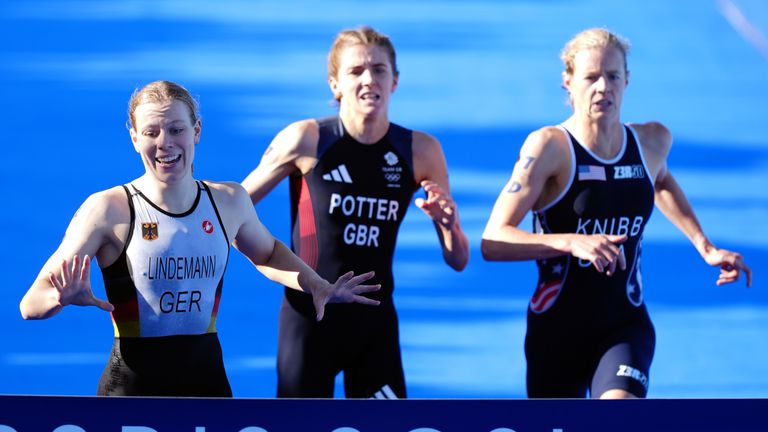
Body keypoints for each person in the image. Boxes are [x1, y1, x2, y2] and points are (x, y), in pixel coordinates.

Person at [19, 80, 380, 397]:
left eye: (176, 129)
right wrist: (61, 298)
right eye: (151, 132)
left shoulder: (228, 201)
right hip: (131, 390)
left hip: (207, 384)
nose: (165, 144)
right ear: (134, 138)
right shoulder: (109, 209)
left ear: (197, 132)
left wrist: (314, 284)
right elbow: (29, 304)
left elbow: (268, 253)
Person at [481, 28, 752, 399]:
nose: (603, 87)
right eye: (591, 77)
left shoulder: (651, 142)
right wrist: (572, 243)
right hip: (556, 331)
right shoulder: (550, 148)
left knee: (617, 418)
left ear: (627, 80)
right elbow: (493, 239)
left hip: (624, 325)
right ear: (568, 83)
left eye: (612, 76)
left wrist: (705, 247)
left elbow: (660, 183)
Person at [241, 26, 469, 399]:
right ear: (335, 84)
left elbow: (458, 259)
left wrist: (449, 225)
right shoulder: (307, 139)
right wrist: (270, 258)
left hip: (373, 326)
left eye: (379, 70)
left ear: (394, 81)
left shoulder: (421, 151)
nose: (368, 79)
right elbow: (234, 209)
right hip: (309, 317)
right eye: (356, 71)